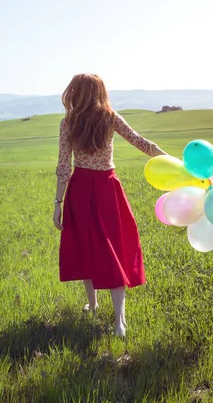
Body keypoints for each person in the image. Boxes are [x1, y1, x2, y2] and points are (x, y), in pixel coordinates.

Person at [53, 74, 167, 336]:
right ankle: (119, 322)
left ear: (75, 93)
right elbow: (143, 144)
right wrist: (174, 162)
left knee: (85, 247)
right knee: (113, 250)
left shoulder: (67, 124)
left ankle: (93, 307)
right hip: (107, 189)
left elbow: (63, 167)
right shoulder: (111, 118)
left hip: (80, 189)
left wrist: (58, 202)